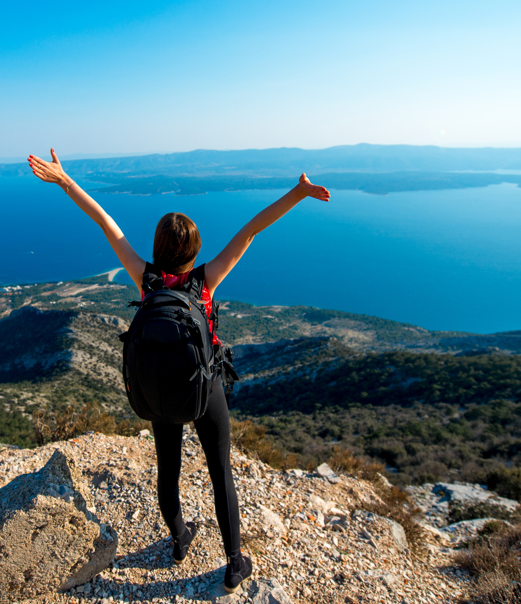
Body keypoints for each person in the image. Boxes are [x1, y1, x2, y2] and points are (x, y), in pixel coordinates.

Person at [27, 149, 330, 592]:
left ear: (157, 249)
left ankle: (180, 537)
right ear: (194, 251)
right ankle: (233, 562)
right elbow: (252, 229)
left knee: (167, 471)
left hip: (160, 390)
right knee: (219, 471)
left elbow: (105, 223)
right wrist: (298, 192)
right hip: (204, 391)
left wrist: (66, 182)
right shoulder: (203, 281)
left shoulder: (144, 278)